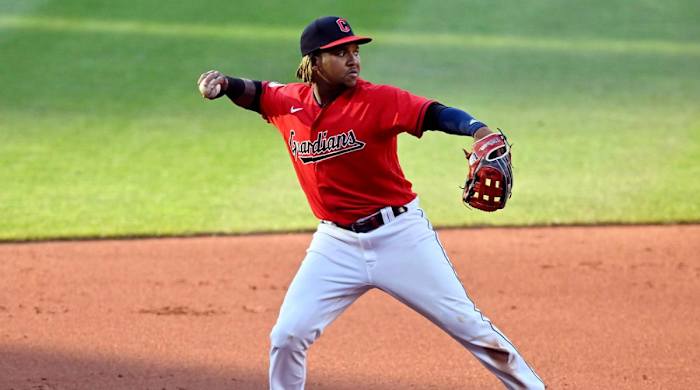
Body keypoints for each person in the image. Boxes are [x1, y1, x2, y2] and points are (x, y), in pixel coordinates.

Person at [197, 15, 544, 390]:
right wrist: (224, 83)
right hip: (335, 245)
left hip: (400, 236)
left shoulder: (379, 100)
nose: (354, 60)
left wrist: (479, 130)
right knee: (287, 336)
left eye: (355, 51)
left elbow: (434, 113)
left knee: (470, 327)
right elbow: (256, 92)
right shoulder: (288, 102)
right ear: (313, 62)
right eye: (341, 53)